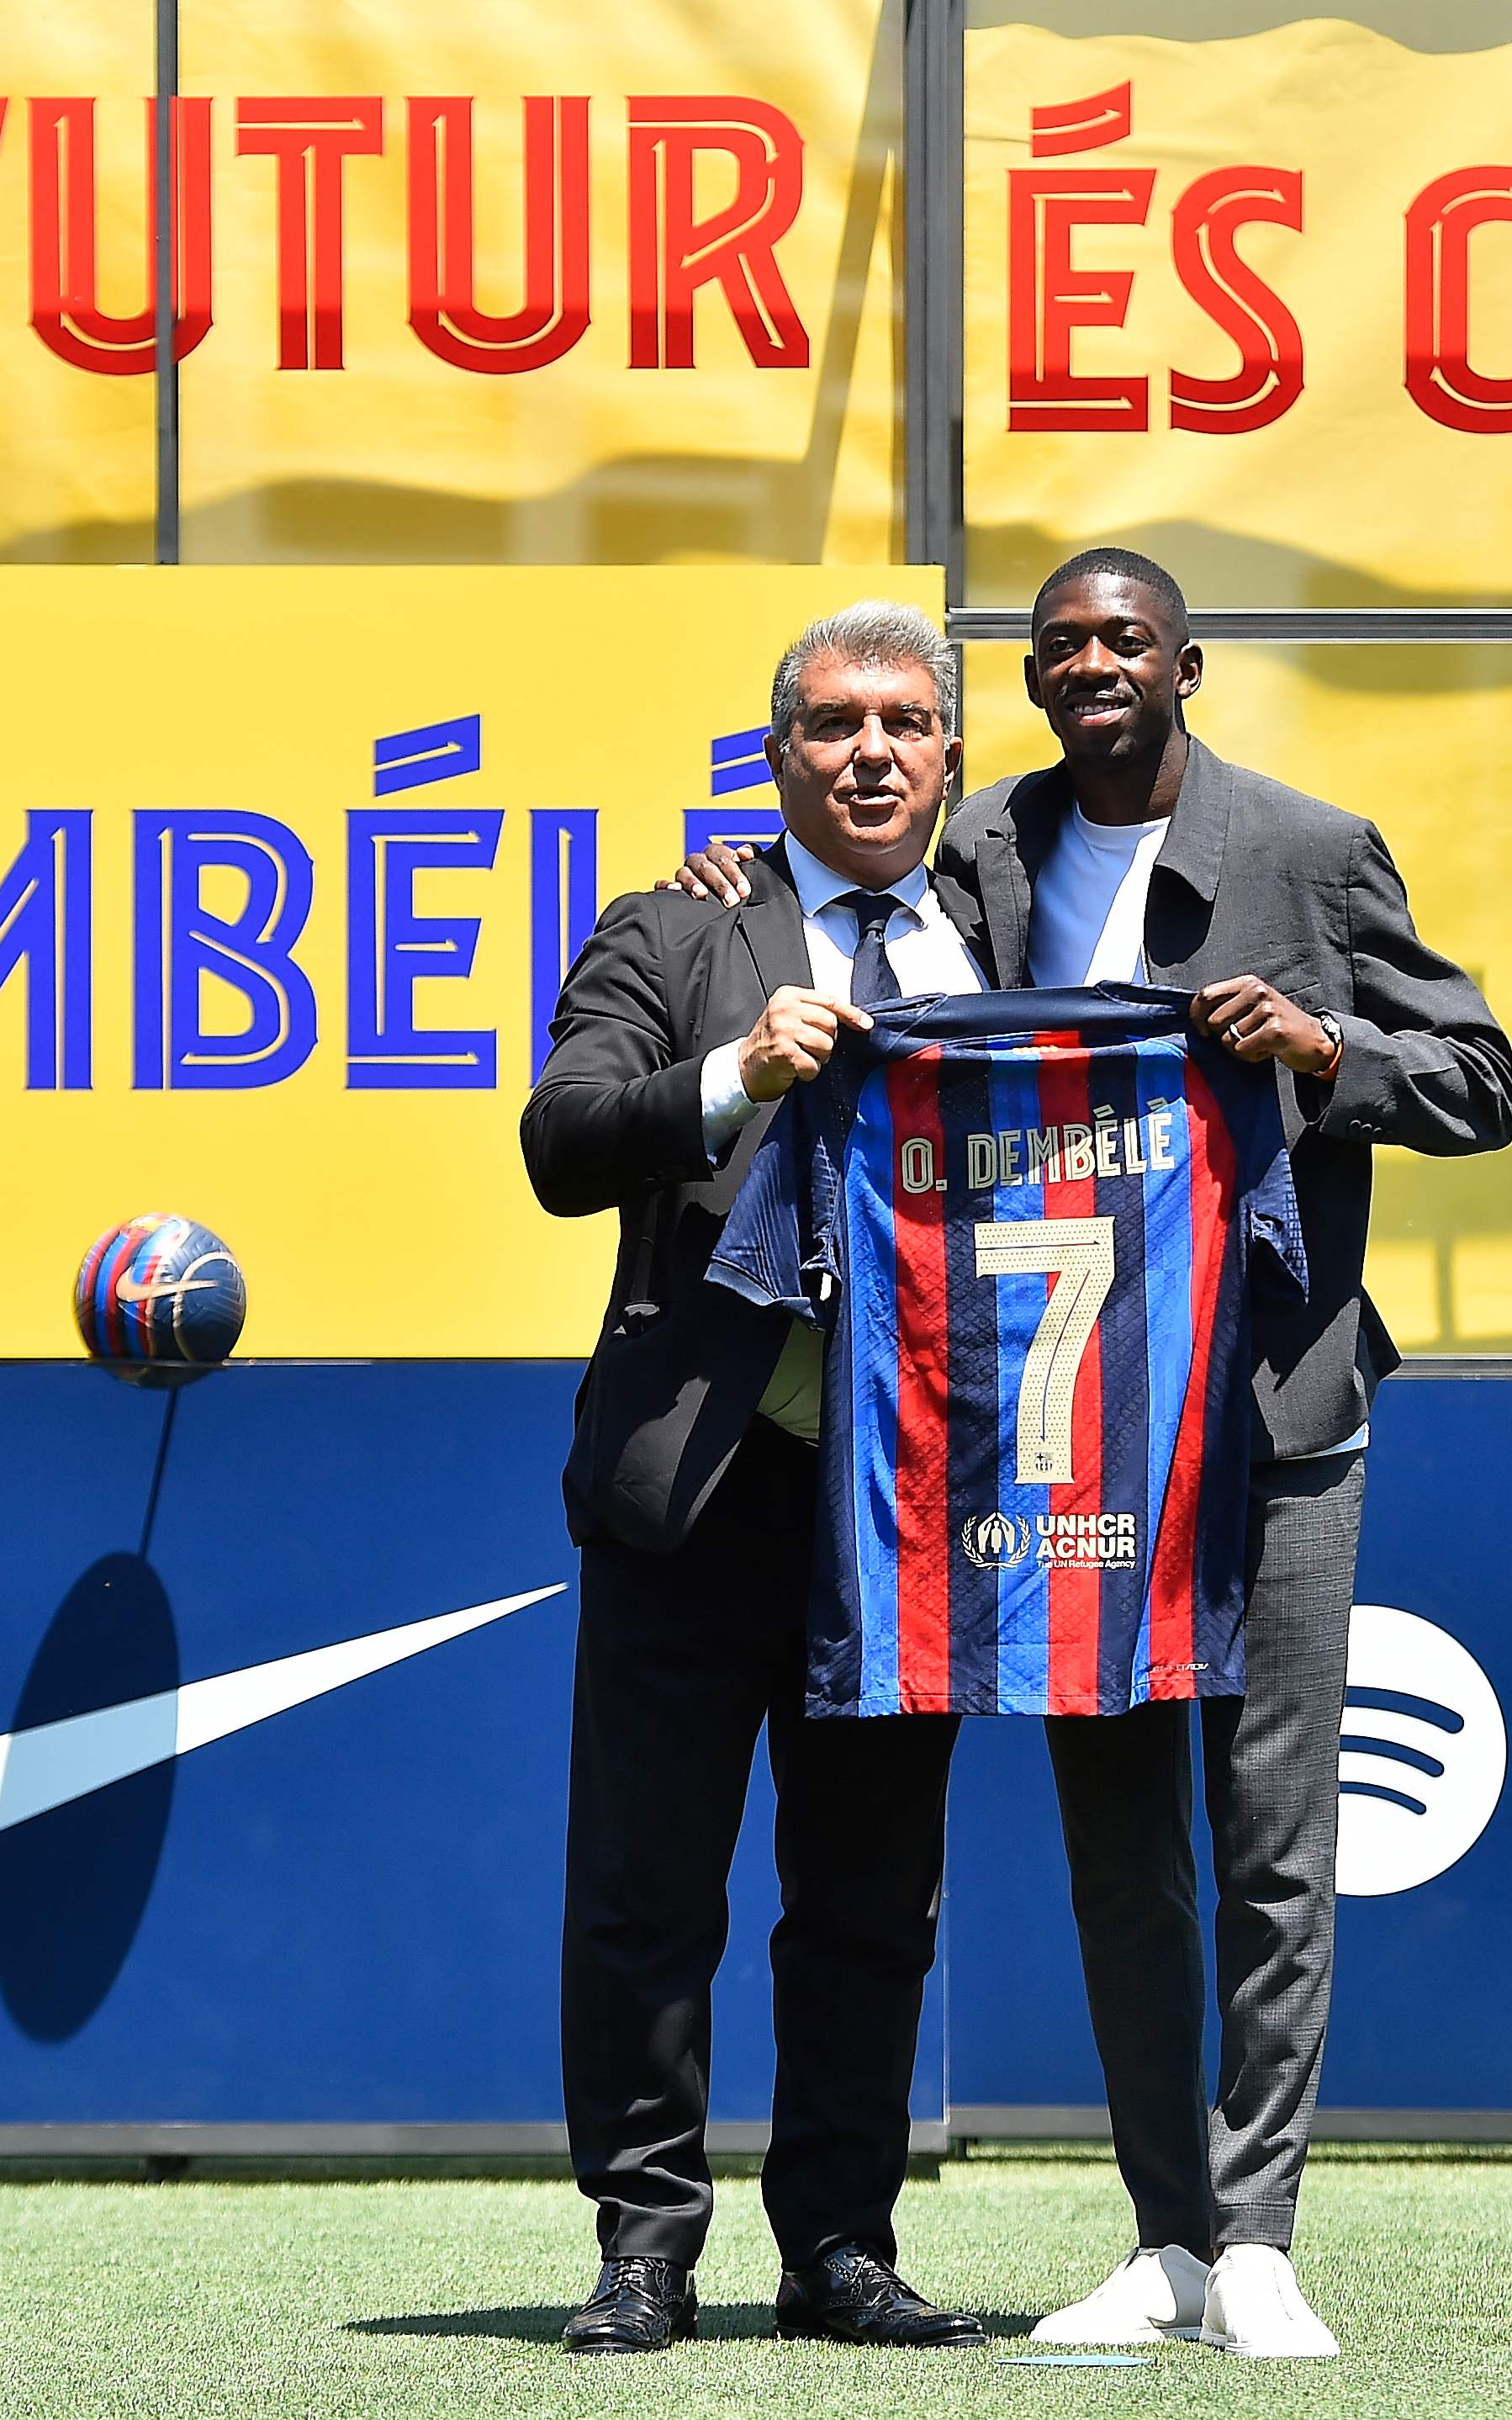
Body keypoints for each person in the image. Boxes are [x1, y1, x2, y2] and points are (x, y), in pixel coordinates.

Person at [671, 549, 1512, 2358]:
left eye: (1121, 638)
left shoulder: (1308, 848)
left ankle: (1262, 2229)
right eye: (1056, 644)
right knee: (1116, 1846)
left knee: (1270, 1829)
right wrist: (734, 881)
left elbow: (1479, 1078)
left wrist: (1326, 1040)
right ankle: (1169, 2238)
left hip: (1271, 1411)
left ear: (1185, 663)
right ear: (1031, 685)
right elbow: (850, 906)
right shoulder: (982, 847)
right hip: (1064, 1427)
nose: (1090, 663)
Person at [520, 601, 990, 2357]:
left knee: (870, 1895)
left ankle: (840, 2246)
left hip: (913, 1501)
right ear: (775, 754)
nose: (867, 750)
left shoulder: (998, 930)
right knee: (647, 1885)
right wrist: (733, 1070)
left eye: (902, 723)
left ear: (947, 756)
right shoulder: (675, 923)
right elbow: (561, 1139)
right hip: (700, 1486)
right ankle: (643, 2243)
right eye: (829, 724)